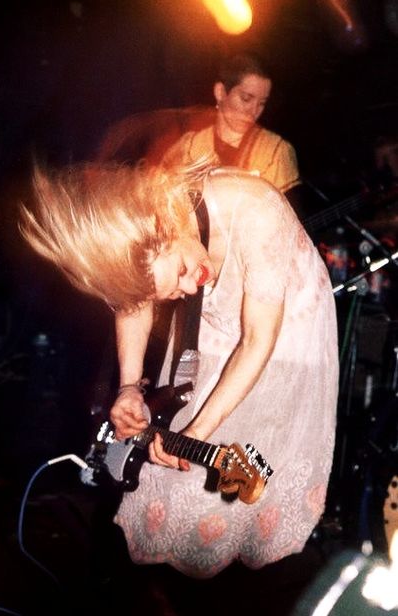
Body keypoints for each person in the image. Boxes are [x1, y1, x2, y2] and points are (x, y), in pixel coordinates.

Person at [20, 160, 339, 578]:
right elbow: (133, 302)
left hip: (285, 330)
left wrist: (197, 433)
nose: (191, 289)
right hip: (218, 325)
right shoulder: (158, 240)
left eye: (183, 271)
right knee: (179, 482)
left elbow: (258, 339)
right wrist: (129, 387)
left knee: (248, 469)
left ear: (164, 221)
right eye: (174, 288)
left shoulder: (256, 210)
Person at [161, 51, 311, 220]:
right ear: (220, 92)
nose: (254, 111)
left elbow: (290, 224)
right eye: (246, 98)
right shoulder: (187, 147)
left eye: (262, 103)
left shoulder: (275, 152)